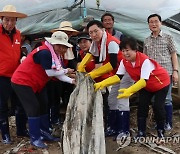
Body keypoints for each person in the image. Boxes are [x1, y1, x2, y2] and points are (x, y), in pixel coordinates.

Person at [94, 37, 170, 138]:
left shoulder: (145, 61)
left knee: (158, 106)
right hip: (147, 86)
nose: (125, 53)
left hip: (161, 83)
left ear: (135, 50)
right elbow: (118, 76)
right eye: (123, 51)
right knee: (142, 106)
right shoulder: (124, 62)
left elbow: (143, 81)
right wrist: (102, 84)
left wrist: (130, 90)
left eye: (128, 50)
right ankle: (141, 132)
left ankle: (161, 131)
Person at [11, 31, 75, 148]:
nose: (61, 48)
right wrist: (67, 71)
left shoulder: (56, 55)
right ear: (53, 43)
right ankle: (35, 138)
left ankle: (44, 133)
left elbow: (57, 73)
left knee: (44, 104)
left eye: (64, 46)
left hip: (37, 83)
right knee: (33, 108)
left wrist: (71, 81)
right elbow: (50, 72)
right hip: (23, 82)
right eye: (59, 45)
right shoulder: (45, 52)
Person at [77, 20, 121, 129]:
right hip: (115, 75)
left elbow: (113, 63)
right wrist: (81, 66)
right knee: (110, 102)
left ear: (103, 30)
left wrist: (93, 74)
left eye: (95, 31)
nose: (93, 35)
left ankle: (115, 127)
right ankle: (110, 126)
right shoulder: (97, 43)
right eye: (90, 33)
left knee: (115, 102)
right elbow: (92, 54)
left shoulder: (111, 42)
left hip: (122, 74)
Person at [144, 14, 179, 131]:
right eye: (151, 22)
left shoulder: (168, 37)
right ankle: (159, 122)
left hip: (166, 73)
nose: (153, 24)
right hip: (152, 75)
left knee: (167, 99)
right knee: (155, 100)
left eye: (156, 21)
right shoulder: (146, 40)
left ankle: (168, 123)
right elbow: (145, 59)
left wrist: (175, 71)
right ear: (148, 25)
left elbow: (173, 55)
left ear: (161, 23)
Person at [101, 12, 133, 138]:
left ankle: (124, 130)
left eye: (110, 20)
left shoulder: (116, 38)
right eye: (105, 20)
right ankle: (112, 127)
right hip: (116, 74)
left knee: (122, 99)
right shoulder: (100, 41)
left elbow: (113, 62)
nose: (108, 22)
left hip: (125, 71)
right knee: (111, 100)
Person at [0, 4, 28, 144]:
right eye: (6, 20)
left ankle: (21, 129)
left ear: (16, 20)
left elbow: (16, 52)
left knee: (20, 104)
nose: (9, 24)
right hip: (1, 77)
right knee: (2, 106)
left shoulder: (18, 34)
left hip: (16, 76)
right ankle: (5, 134)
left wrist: (22, 57)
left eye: (12, 20)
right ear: (2, 19)